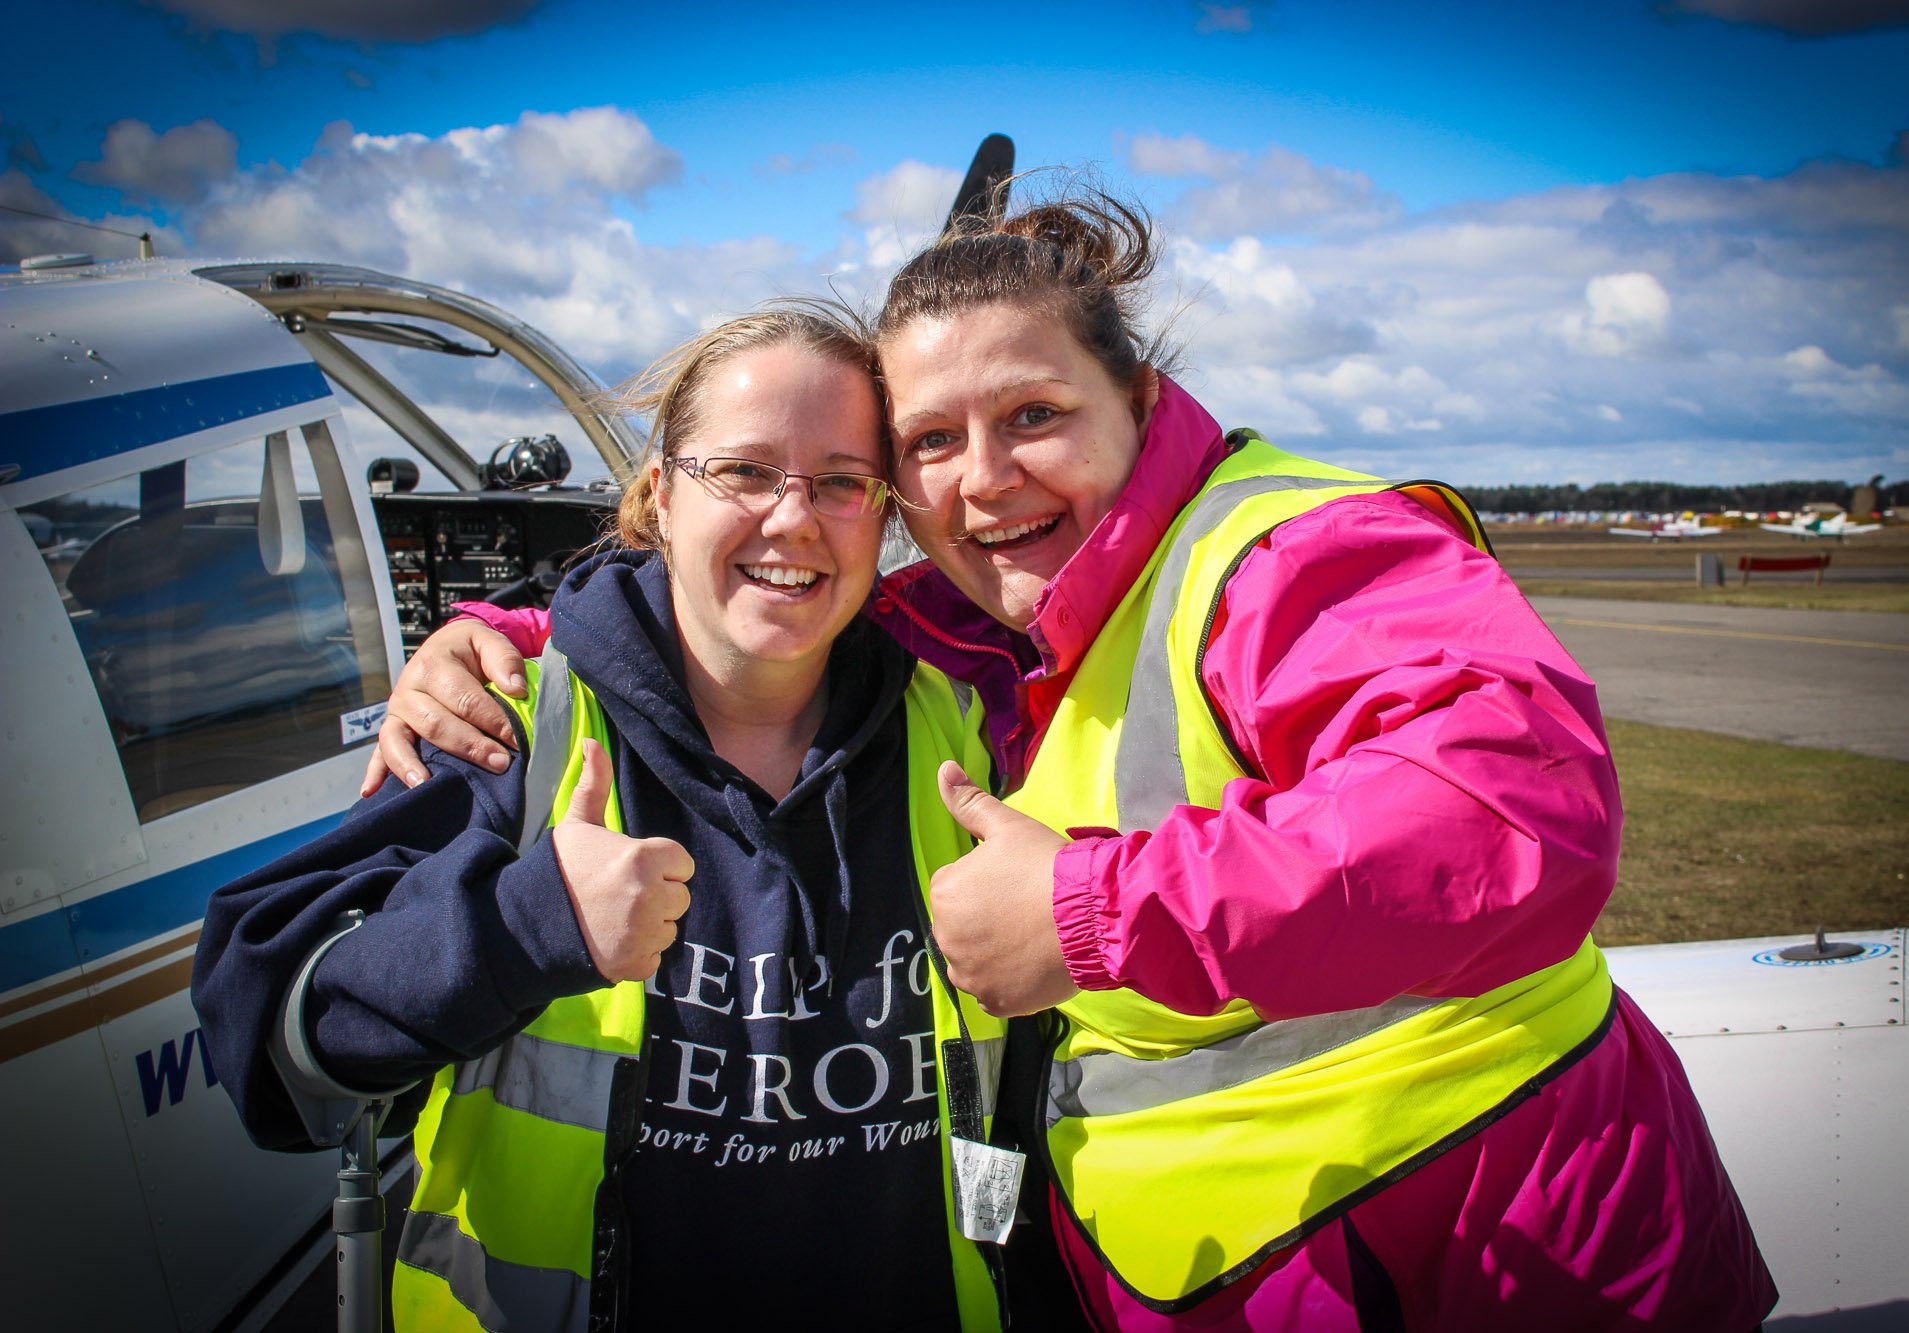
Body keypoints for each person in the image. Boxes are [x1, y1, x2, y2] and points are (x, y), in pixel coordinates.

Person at [381, 189, 1777, 1331]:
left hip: (1499, 1255)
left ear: (1137, 400)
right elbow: (753, 608)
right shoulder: (1003, 613)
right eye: (931, 442)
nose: (982, 480)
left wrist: (1090, 915)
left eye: (1033, 416)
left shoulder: (1293, 554)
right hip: (1259, 1269)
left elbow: (1510, 813)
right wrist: (512, 636)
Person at [193, 305, 1077, 1332]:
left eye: (839, 482)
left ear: (880, 514)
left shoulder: (958, 733)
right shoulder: (509, 724)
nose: (792, 520)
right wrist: (524, 929)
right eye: (743, 472)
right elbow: (264, 1040)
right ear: (660, 495)